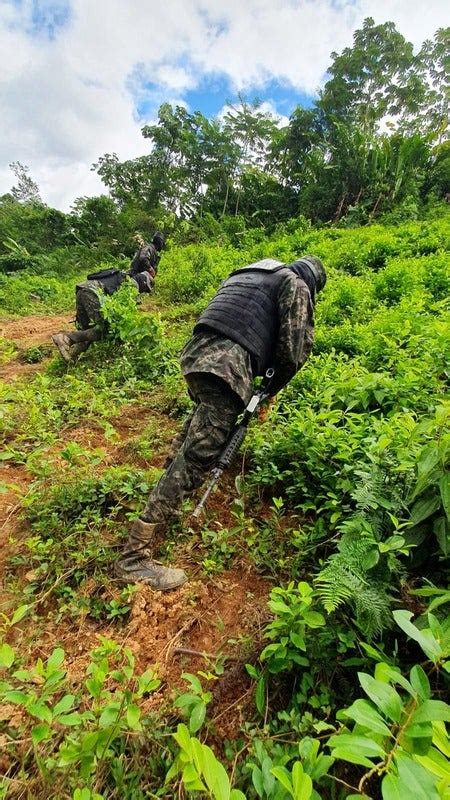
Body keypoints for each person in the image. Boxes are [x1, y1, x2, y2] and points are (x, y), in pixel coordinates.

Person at [115, 254, 327, 591]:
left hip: (197, 354)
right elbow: (294, 350)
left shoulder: (256, 272)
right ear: (314, 283)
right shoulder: (297, 284)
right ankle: (134, 556)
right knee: (198, 455)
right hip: (227, 367)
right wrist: (268, 394)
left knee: (194, 435)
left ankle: (164, 504)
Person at [52, 232, 165, 362]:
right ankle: (66, 338)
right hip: (92, 293)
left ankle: (70, 357)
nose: (144, 292)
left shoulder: (124, 278)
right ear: (143, 283)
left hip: (83, 290)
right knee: (102, 330)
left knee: (88, 332)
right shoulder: (131, 285)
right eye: (146, 289)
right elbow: (119, 315)